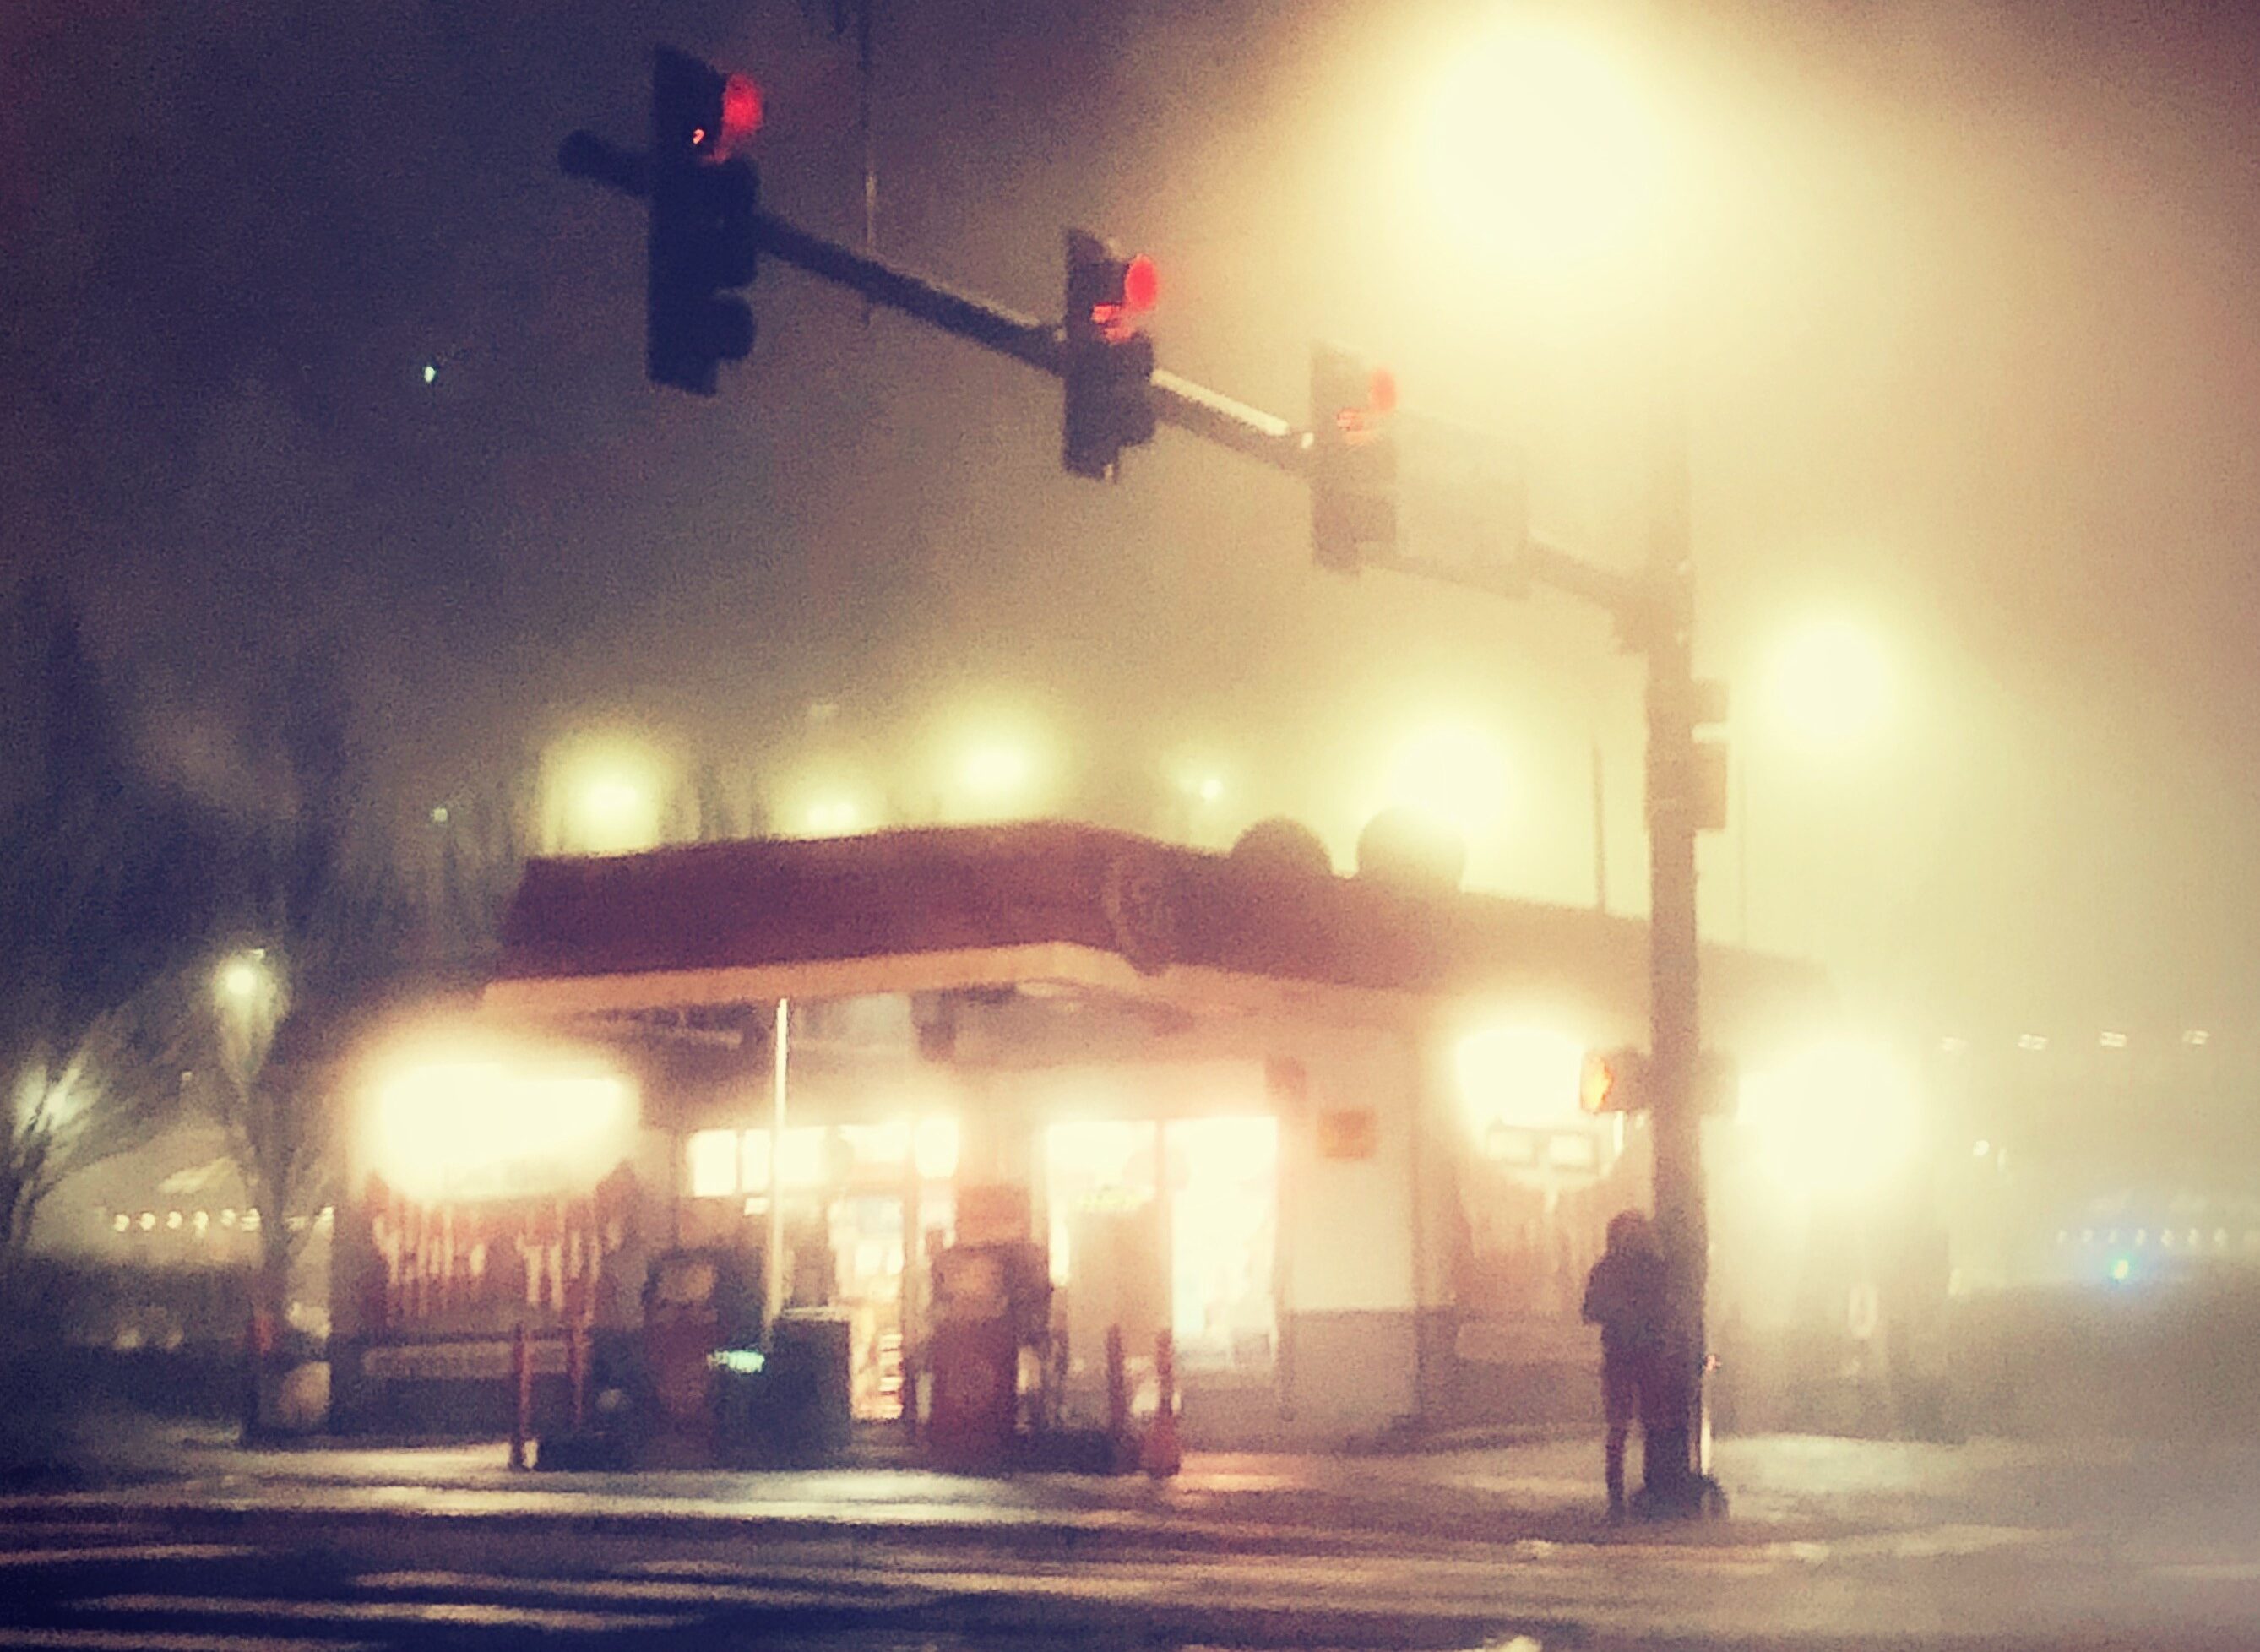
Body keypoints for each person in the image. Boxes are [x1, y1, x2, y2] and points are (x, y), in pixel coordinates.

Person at [1582, 1209, 1666, 1521]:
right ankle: (1632, 1494)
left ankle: (1620, 1496)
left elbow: (1590, 1310)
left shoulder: (1608, 1269)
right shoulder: (1652, 1269)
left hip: (1626, 1354)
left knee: (1626, 1426)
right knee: (1638, 1424)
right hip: (1638, 1355)